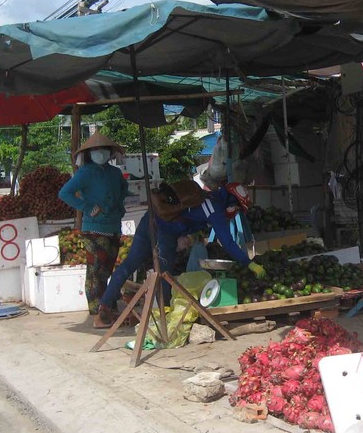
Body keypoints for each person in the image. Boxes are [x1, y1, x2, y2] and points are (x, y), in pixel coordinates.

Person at [98, 181, 266, 317]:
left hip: (148, 220)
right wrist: (248, 262)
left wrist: (192, 236)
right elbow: (227, 242)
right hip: (164, 231)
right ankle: (163, 314)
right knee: (164, 274)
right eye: (237, 208)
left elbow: (191, 217)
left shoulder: (208, 198)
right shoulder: (214, 209)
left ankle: (103, 308)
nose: (235, 212)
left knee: (129, 265)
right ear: (232, 202)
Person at [58, 133, 128, 328]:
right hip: (93, 230)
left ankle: (108, 308)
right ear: (89, 154)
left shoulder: (114, 173)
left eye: (104, 150)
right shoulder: (85, 173)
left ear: (110, 152)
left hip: (113, 227)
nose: (100, 153)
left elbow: (124, 188)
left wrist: (120, 206)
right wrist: (88, 207)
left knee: (107, 270)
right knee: (96, 271)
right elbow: (65, 193)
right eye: (96, 150)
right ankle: (99, 314)